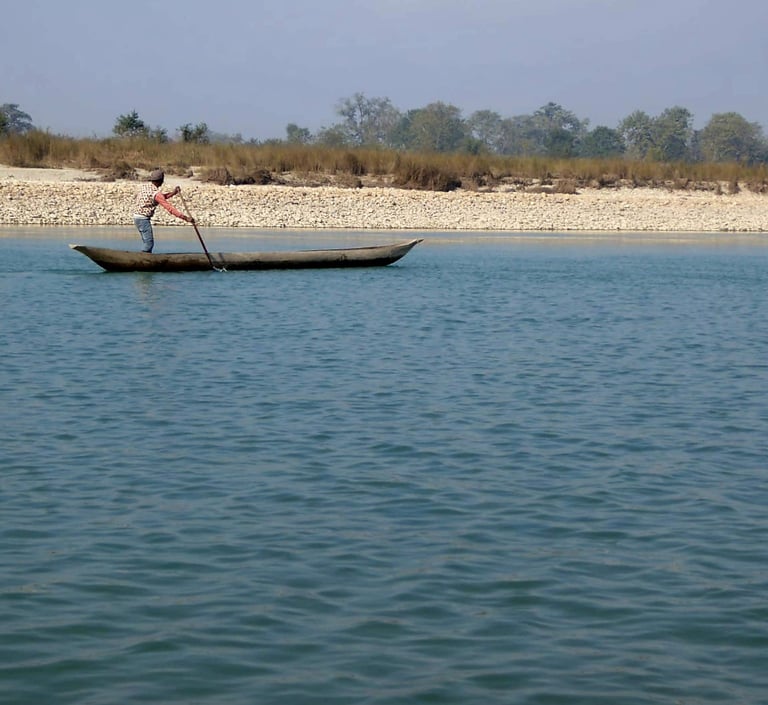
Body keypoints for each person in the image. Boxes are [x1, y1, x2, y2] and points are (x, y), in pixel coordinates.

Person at [133, 168, 194, 252]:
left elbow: (160, 198)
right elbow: (170, 208)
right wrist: (185, 218)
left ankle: (146, 258)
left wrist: (173, 193)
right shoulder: (156, 193)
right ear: (161, 181)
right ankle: (144, 260)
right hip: (143, 219)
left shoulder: (146, 187)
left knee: (146, 242)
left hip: (136, 217)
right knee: (149, 243)